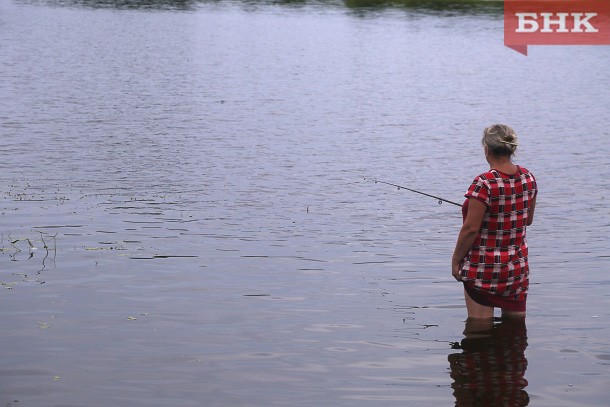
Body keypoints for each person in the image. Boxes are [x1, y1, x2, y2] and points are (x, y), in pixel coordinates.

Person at [452, 124, 538, 319]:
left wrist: (456, 260)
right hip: (516, 270)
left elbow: (470, 229)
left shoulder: (484, 183)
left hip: (483, 270)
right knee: (515, 331)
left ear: (486, 149)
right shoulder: (528, 178)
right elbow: (528, 220)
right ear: (511, 149)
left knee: (478, 333)